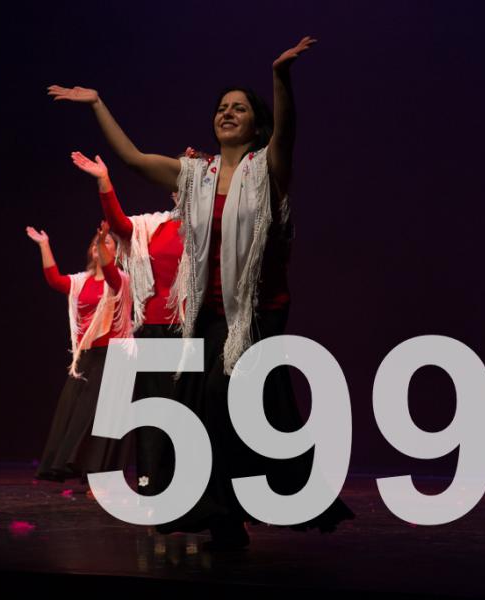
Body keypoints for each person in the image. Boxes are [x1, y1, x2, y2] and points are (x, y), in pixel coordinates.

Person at [49, 36, 353, 548]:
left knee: (223, 397)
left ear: (256, 124)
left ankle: (245, 503)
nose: (227, 113)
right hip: (209, 314)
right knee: (202, 408)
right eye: (221, 108)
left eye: (239, 108)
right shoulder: (196, 175)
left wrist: (280, 76)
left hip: (257, 314)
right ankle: (223, 517)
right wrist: (97, 103)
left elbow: (288, 132)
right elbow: (132, 158)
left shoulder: (268, 170)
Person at [70, 151, 184, 496]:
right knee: (153, 411)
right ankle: (152, 484)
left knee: (192, 411)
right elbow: (120, 226)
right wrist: (104, 181)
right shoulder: (155, 225)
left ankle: (193, 485)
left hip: (196, 327)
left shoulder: (216, 227)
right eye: (180, 185)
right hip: (155, 328)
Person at [26, 222, 133, 483]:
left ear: (116, 253)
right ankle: (66, 465)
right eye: (97, 243)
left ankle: (97, 475)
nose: (100, 245)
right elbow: (55, 280)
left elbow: (109, 271)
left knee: (98, 418)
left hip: (113, 355)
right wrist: (44, 245)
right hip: (87, 355)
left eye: (107, 243)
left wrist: (104, 236)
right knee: (73, 412)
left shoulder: (119, 279)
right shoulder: (81, 281)